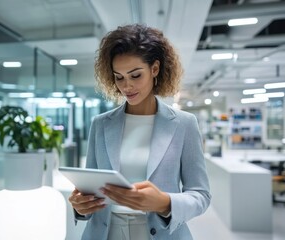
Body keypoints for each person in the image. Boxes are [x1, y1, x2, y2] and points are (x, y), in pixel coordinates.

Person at [68, 23, 211, 240]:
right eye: (119, 77)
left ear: (154, 69)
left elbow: (201, 195)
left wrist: (164, 202)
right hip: (106, 232)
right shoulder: (101, 124)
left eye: (135, 75)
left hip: (160, 233)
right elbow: (90, 188)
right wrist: (81, 206)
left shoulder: (184, 124)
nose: (127, 86)